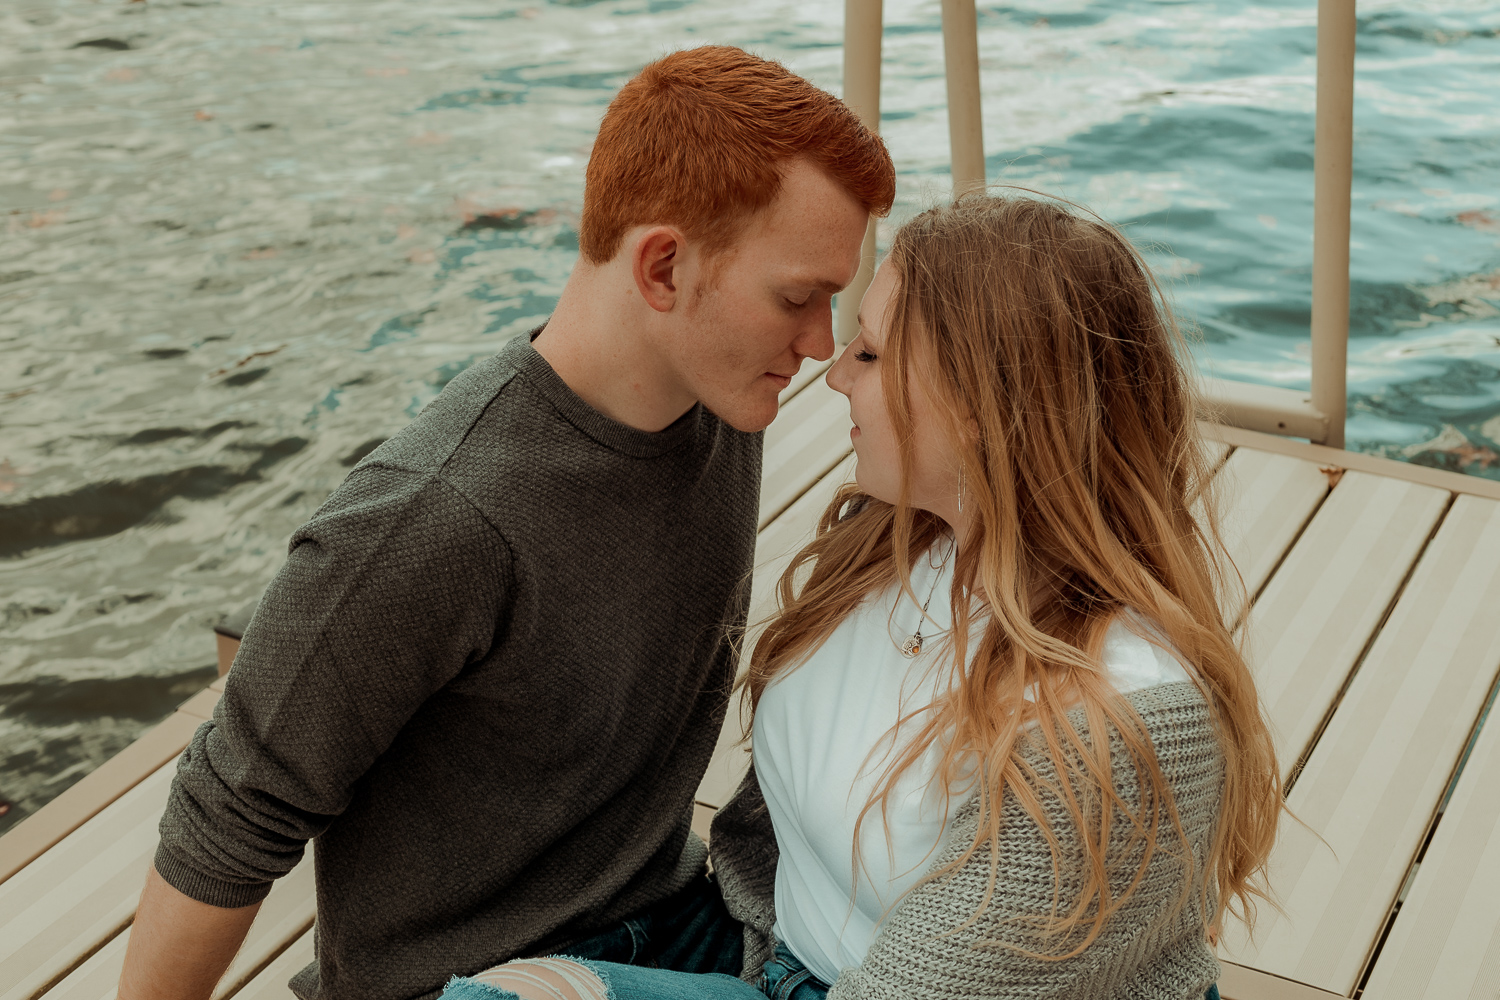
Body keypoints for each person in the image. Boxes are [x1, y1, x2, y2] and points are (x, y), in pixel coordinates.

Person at [117, 46, 895, 1000]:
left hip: (683, 922)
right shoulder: (430, 519)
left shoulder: (717, 398)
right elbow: (227, 814)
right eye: (798, 297)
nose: (820, 343)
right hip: (476, 986)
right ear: (662, 267)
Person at [439, 194, 1283, 1000]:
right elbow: (765, 852)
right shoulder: (894, 542)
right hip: (768, 956)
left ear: (986, 405)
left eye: (871, 354)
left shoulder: (1115, 729)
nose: (834, 375)